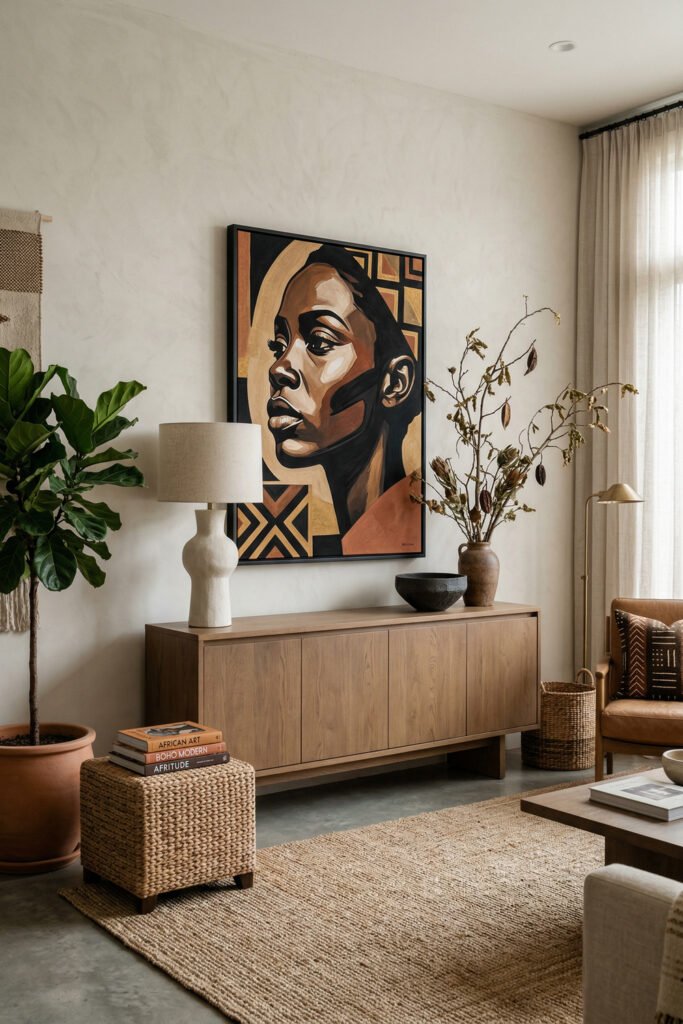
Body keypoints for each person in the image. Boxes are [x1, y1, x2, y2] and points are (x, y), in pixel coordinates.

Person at [265, 243, 421, 554]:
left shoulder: (412, 533)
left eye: (319, 342)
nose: (279, 366)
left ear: (394, 384)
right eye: (278, 344)